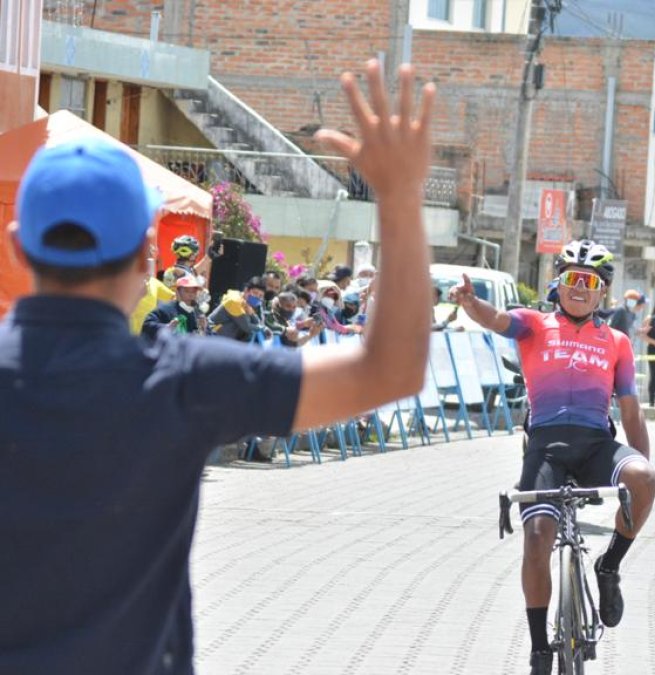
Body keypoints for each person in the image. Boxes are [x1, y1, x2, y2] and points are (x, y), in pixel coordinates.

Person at [0, 60, 435, 674]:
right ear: (149, 256)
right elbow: (391, 370)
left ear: (19, 245)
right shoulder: (184, 380)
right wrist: (399, 196)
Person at [449, 239, 655, 675]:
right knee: (538, 537)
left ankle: (609, 567)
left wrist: (640, 471)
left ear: (604, 292)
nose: (580, 288)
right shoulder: (534, 324)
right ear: (557, 283)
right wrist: (472, 303)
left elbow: (631, 410)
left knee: (644, 477)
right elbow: (497, 318)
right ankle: (540, 646)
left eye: (590, 281)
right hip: (546, 446)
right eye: (571, 278)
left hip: (596, 444)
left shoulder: (617, 341)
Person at [141, 273, 207, 337]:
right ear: (177, 292)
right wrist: (167, 327)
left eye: (194, 291)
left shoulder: (198, 312)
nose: (191, 294)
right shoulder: (165, 309)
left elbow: (208, 336)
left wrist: (203, 330)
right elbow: (146, 325)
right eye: (186, 291)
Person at [207, 276, 268, 342]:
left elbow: (257, 323)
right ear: (246, 290)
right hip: (209, 336)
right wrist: (263, 328)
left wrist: (252, 314)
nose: (257, 297)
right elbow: (247, 327)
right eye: (255, 293)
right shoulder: (235, 301)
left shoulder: (246, 303)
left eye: (260, 296)